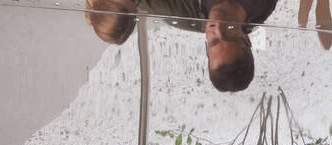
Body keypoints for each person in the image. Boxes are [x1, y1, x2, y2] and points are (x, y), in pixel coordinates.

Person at [85, 0, 276, 92]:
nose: (217, 27)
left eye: (214, 41)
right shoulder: (260, 3)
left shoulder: (185, 15)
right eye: (229, 33)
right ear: (246, 39)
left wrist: (106, 19)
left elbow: (126, 5)